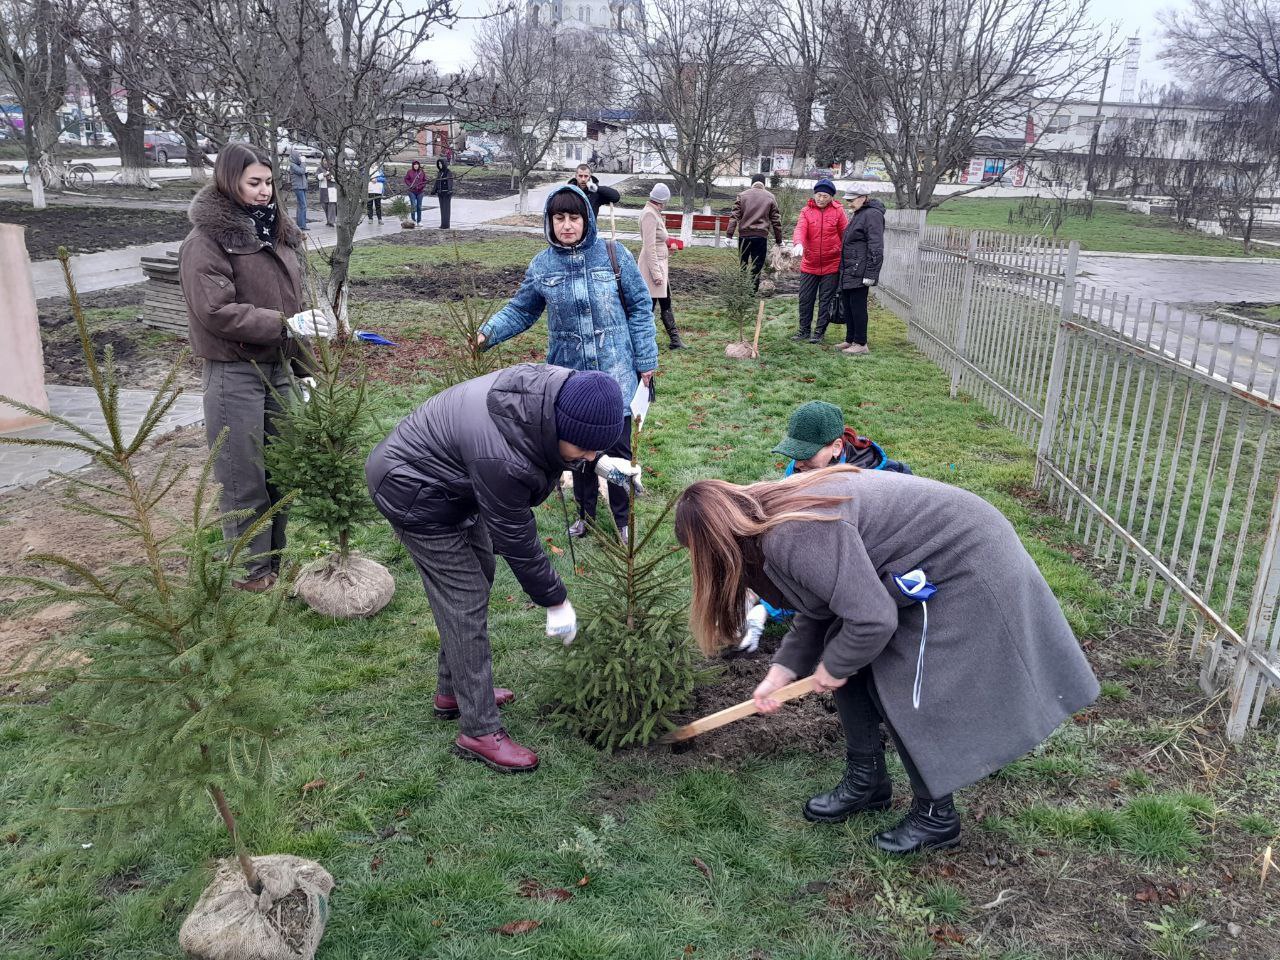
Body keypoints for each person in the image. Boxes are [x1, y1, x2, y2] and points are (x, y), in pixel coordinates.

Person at [674, 467, 1099, 854]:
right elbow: (822, 605)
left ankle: (936, 818)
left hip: (965, 560)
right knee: (847, 653)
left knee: (901, 678)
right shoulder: (765, 523)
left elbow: (873, 619)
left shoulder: (792, 533)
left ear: (718, 542)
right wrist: (781, 673)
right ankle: (867, 783)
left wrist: (833, 667)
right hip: (917, 568)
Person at [366, 365, 640, 772]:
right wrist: (555, 601)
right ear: (559, 426)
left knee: (480, 576)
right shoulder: (502, 455)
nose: (586, 457)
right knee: (465, 599)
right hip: (412, 490)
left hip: (456, 481)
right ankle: (479, 730)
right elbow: (516, 539)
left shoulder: (556, 395)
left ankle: (453, 692)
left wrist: (599, 461)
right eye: (583, 449)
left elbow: (560, 444)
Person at [179, 142, 336, 592]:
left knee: (279, 470)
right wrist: (283, 324)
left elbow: (294, 305)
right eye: (254, 183)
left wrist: (304, 370)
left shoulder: (276, 233)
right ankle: (250, 572)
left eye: (268, 182)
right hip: (235, 372)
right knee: (242, 474)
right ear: (230, 181)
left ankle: (274, 562)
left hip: (279, 368)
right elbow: (215, 311)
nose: (264, 191)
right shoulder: (206, 242)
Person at [475, 184, 658, 544]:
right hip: (569, 379)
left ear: (586, 219)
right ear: (550, 221)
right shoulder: (543, 265)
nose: (567, 225)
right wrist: (486, 334)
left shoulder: (614, 255)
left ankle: (623, 521)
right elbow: (521, 310)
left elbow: (640, 307)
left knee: (618, 451)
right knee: (577, 452)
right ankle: (585, 516)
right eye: (559, 218)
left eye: (574, 217)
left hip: (616, 374)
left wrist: (646, 359)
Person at [739, 401, 912, 652]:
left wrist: (766, 610)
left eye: (807, 454)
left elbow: (824, 570)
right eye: (794, 453)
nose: (798, 463)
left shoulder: (883, 481)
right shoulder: (801, 470)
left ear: (837, 447)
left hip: (880, 570)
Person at [791, 177, 847, 344]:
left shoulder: (838, 211)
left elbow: (845, 234)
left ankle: (819, 332)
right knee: (805, 299)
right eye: (819, 195)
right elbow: (800, 228)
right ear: (814, 194)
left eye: (825, 196)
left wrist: (847, 254)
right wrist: (798, 243)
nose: (821, 199)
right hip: (810, 263)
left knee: (826, 300)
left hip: (832, 264)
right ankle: (804, 330)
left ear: (831, 197)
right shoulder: (806, 211)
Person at [838, 185, 886, 355]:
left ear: (863, 198)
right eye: (848, 200)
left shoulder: (872, 215)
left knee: (858, 307)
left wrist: (871, 273)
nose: (849, 203)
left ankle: (861, 343)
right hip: (850, 268)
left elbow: (876, 246)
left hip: (861, 269)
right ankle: (850, 339)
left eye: (851, 200)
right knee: (849, 306)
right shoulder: (860, 213)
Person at [638, 182, 684, 350]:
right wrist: (656, 274)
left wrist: (668, 249)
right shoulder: (650, 215)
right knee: (649, 306)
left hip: (658, 265)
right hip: (653, 268)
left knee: (665, 302)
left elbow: (657, 243)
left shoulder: (653, 212)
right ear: (663, 200)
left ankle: (675, 340)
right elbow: (649, 247)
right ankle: (642, 341)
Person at [727, 172, 784, 288]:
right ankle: (753, 292)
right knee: (757, 266)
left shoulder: (742, 195)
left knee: (743, 264)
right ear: (764, 184)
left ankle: (742, 289)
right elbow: (776, 220)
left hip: (744, 236)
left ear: (752, 183)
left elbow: (734, 216)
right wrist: (779, 240)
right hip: (760, 237)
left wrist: (729, 234)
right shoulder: (770, 197)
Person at [288, 148, 308, 231]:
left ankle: (301, 224)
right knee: (303, 206)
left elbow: (303, 173)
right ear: (295, 156)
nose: (300, 157)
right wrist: (303, 162)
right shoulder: (293, 165)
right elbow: (301, 172)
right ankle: (302, 225)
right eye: (299, 156)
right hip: (298, 187)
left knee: (301, 206)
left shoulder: (298, 164)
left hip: (302, 187)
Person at [431, 157, 453, 229]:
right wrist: (434, 190)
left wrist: (449, 190)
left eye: (441, 164)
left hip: (447, 193)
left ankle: (446, 224)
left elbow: (450, 182)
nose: (440, 165)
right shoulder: (440, 172)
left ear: (444, 164)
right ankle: (443, 224)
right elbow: (437, 181)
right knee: (442, 209)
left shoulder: (448, 172)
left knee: (446, 209)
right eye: (439, 164)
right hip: (440, 193)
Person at [404, 160, 428, 225]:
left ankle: (419, 221)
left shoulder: (422, 172)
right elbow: (406, 179)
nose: (416, 166)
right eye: (414, 165)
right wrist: (410, 185)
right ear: (413, 165)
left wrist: (421, 186)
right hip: (412, 191)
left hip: (420, 192)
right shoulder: (409, 172)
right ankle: (413, 220)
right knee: (413, 205)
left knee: (419, 206)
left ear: (419, 165)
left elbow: (425, 180)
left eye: (417, 164)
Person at [317, 158, 338, 227]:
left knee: (332, 205)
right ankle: (328, 220)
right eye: (324, 160)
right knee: (324, 205)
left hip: (332, 188)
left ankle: (331, 221)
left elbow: (338, 178)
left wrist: (331, 178)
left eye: (327, 160)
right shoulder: (320, 168)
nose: (325, 162)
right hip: (323, 188)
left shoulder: (334, 168)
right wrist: (324, 175)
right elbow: (317, 177)